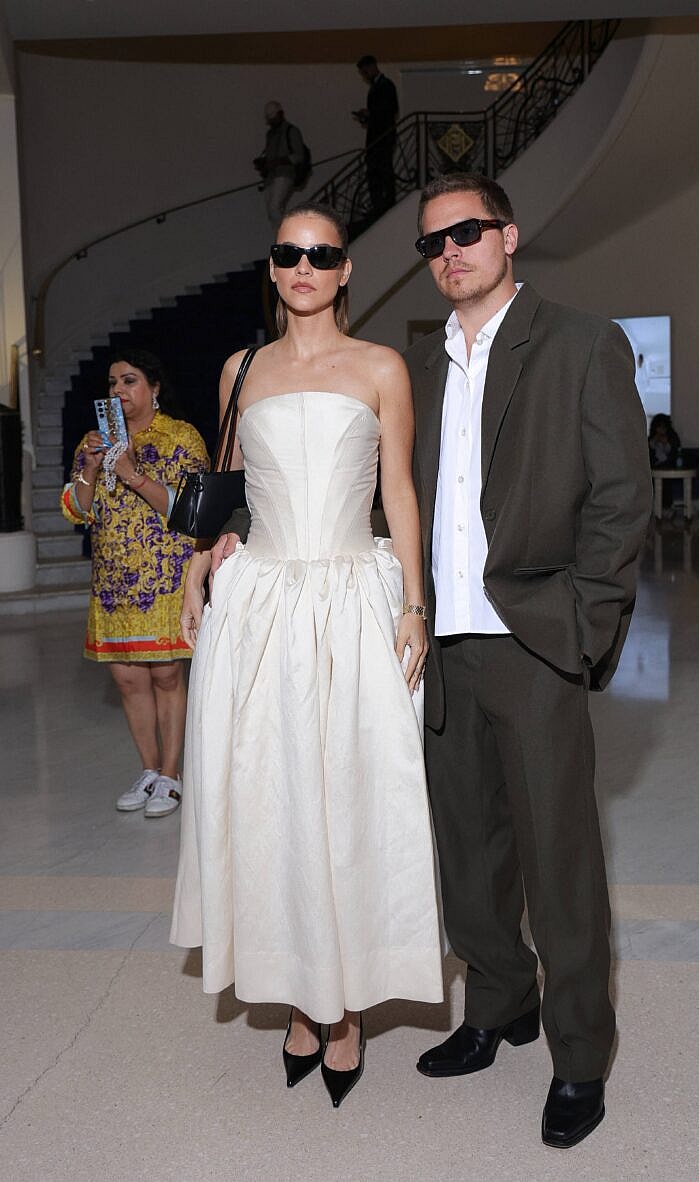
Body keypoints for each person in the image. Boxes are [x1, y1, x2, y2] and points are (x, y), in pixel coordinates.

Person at [169, 202, 443, 1109]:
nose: (304, 267)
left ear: (345, 269)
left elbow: (399, 491)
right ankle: (295, 994)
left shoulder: (382, 366)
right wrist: (201, 562)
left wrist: (415, 603)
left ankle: (347, 1009)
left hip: (353, 602)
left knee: (349, 794)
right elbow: (230, 488)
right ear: (273, 265)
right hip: (260, 606)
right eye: (288, 253)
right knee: (271, 796)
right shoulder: (241, 368)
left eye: (321, 254)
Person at [404, 172, 652, 1148]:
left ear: (507, 235)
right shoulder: (420, 364)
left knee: (559, 866)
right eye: (432, 242)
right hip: (444, 647)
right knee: (467, 851)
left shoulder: (581, 343)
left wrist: (583, 626)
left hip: (534, 639)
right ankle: (498, 1004)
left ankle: (579, 1055)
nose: (449, 252)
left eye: (466, 231)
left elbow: (620, 499)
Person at [61, 349, 208, 816]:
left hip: (165, 578)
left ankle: (171, 775)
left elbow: (191, 510)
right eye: (112, 383)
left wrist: (131, 474)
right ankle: (148, 770)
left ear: (154, 388)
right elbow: (76, 511)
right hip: (112, 582)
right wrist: (90, 468)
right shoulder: (93, 442)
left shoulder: (180, 438)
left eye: (129, 380)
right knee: (127, 680)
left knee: (166, 675)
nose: (118, 390)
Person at [354, 55, 399, 218]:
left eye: (365, 71)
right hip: (378, 136)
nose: (365, 75)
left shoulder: (386, 85)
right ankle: (379, 203)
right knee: (376, 170)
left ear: (372, 66)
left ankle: (385, 203)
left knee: (382, 169)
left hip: (382, 137)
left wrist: (370, 114)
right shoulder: (378, 86)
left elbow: (389, 110)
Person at [257, 100, 306, 227]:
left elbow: (299, 156)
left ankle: (288, 232)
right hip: (271, 177)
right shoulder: (270, 135)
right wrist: (265, 164)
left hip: (285, 173)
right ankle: (283, 235)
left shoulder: (291, 131)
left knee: (274, 208)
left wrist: (278, 161)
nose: (272, 121)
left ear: (281, 114)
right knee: (273, 211)